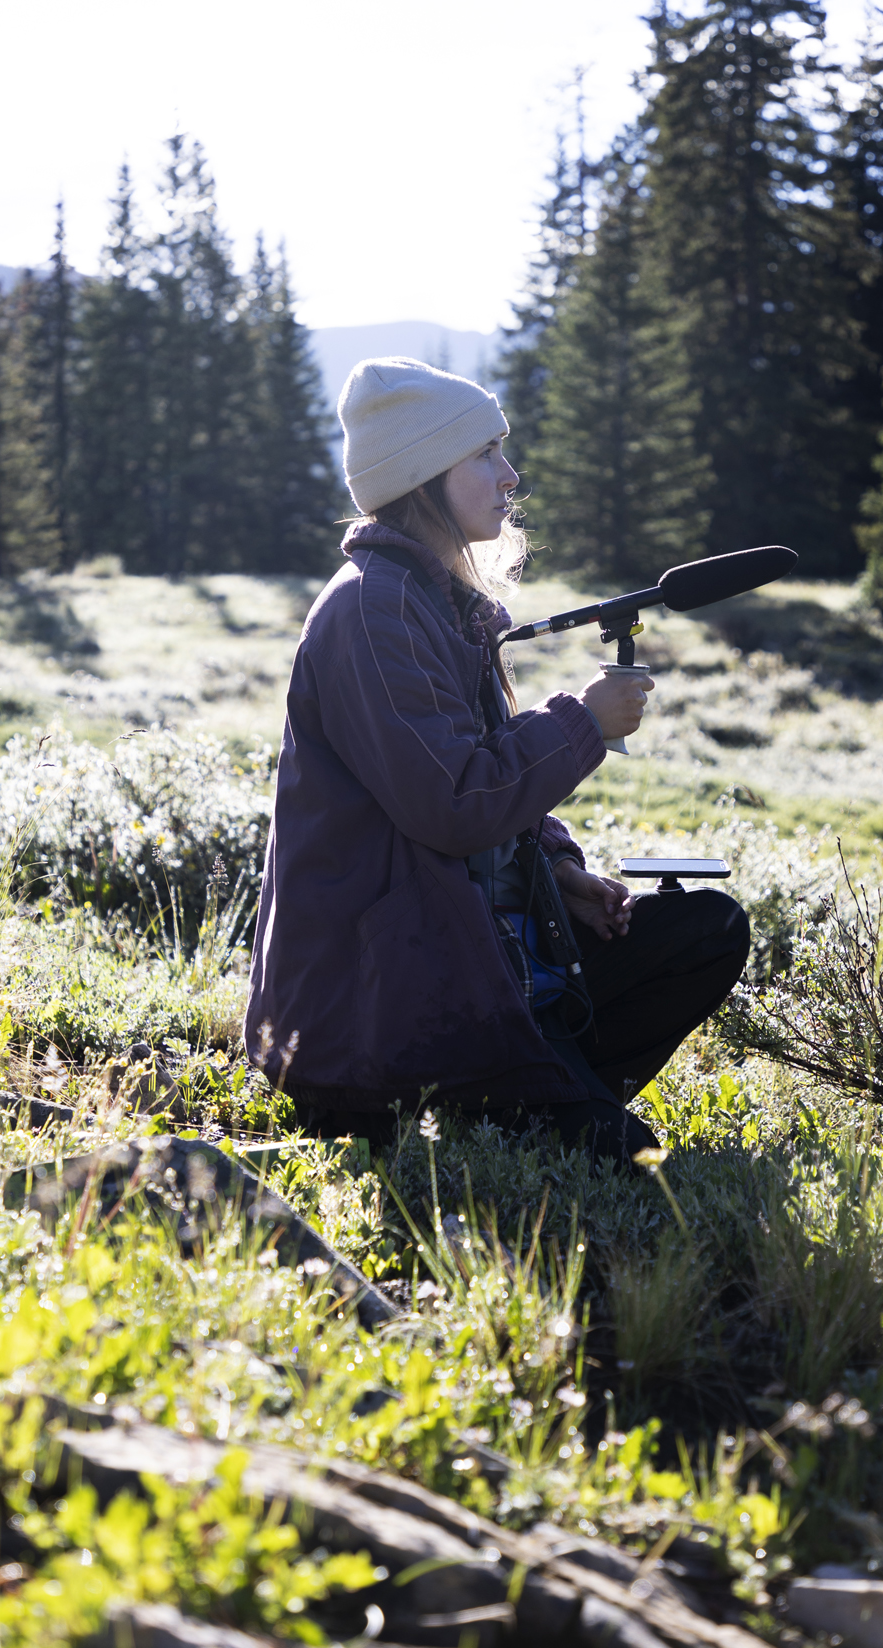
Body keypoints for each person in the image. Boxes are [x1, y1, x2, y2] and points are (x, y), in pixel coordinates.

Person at [245, 359, 750, 1163]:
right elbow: (453, 801)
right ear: (424, 475)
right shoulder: (373, 611)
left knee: (708, 929)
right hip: (375, 1029)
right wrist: (584, 722)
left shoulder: (429, 600)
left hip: (455, 966)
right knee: (623, 1164)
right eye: (484, 455)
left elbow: (465, 774)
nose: (509, 476)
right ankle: (525, 1108)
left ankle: (547, 1091)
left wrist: (558, 872)